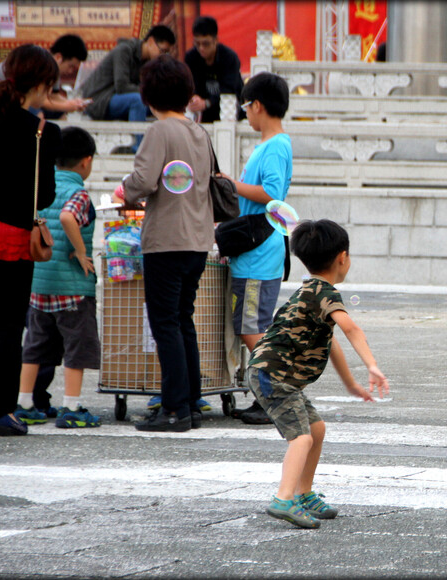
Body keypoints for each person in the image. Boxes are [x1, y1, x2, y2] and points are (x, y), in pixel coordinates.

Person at [247, 219, 389, 529]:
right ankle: (283, 499)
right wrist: (372, 366)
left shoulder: (310, 290)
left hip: (273, 373)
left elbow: (332, 341)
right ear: (343, 257)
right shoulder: (325, 293)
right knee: (301, 437)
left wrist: (351, 383)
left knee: (317, 428)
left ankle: (304, 493)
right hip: (274, 375)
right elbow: (350, 327)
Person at [112, 55, 215, 432]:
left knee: (165, 323)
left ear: (148, 96)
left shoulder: (159, 132)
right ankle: (190, 402)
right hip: (198, 240)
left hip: (166, 240)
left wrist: (123, 190)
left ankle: (173, 409)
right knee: (183, 319)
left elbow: (140, 182)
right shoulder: (199, 132)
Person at [0, 45, 62, 436]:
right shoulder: (43, 132)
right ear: (40, 84)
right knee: (9, 328)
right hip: (13, 239)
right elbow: (45, 197)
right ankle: (5, 411)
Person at [15, 127, 102, 429]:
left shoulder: (41, 188)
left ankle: (24, 402)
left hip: (39, 284)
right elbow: (68, 217)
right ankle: (72, 407)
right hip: (72, 291)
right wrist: (80, 252)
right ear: (86, 162)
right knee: (76, 348)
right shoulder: (78, 193)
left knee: (35, 346)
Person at [221, 72, 292, 425]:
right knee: (251, 324)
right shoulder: (270, 145)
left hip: (259, 254)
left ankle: (273, 394)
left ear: (258, 106)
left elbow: (272, 194)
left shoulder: (276, 145)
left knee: (251, 327)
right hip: (255, 252)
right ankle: (265, 392)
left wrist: (234, 185)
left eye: (246, 106)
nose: (245, 113)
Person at [0, 35, 90, 119]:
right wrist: (66, 106)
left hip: (21, 99)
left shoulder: (51, 68)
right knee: (36, 116)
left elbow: (53, 97)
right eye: (70, 66)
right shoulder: (40, 64)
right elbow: (36, 97)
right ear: (59, 57)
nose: (70, 71)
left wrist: (73, 103)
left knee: (59, 115)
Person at [79, 25, 175, 123]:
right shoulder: (124, 51)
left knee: (161, 106)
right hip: (99, 100)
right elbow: (122, 86)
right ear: (150, 41)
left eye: (167, 53)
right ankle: (139, 138)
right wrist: (151, 93)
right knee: (138, 101)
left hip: (117, 98)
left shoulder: (147, 60)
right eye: (162, 51)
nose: (163, 56)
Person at [185, 16, 245, 123]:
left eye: (206, 44)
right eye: (197, 44)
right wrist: (194, 98)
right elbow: (190, 85)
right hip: (202, 114)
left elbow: (229, 90)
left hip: (230, 112)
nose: (201, 48)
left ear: (216, 40)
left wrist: (207, 102)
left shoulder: (229, 58)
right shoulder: (191, 57)